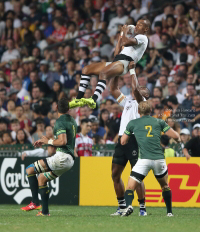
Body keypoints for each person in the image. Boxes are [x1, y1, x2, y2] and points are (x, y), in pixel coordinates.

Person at [70, 19, 150, 109]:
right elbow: (116, 53)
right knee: (86, 69)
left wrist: (125, 32)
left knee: (103, 73)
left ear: (146, 29)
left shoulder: (142, 37)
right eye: (136, 24)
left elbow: (125, 42)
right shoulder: (133, 41)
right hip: (117, 61)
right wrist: (121, 35)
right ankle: (78, 99)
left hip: (124, 63)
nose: (136, 26)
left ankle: (93, 99)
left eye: (140, 25)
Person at [120, 101, 180, 217]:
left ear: (138, 111)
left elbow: (123, 141)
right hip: (159, 160)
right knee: (165, 186)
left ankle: (128, 206)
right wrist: (178, 140)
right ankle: (169, 212)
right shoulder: (159, 121)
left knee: (130, 187)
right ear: (151, 111)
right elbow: (176, 136)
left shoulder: (133, 123)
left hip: (144, 160)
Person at [20, 97, 77, 216]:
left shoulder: (60, 121)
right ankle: (45, 212)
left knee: (29, 169)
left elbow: (62, 141)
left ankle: (35, 202)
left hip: (62, 157)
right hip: (69, 160)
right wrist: (48, 140)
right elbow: (63, 139)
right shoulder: (72, 120)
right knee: (42, 178)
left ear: (56, 108)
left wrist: (48, 142)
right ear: (68, 108)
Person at [109, 61, 150, 216]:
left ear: (146, 95)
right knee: (115, 174)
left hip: (134, 140)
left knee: (136, 175)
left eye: (142, 89)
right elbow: (113, 89)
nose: (138, 90)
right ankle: (121, 207)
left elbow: (135, 89)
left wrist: (131, 69)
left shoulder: (142, 103)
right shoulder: (128, 102)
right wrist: (117, 71)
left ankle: (142, 208)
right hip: (121, 140)